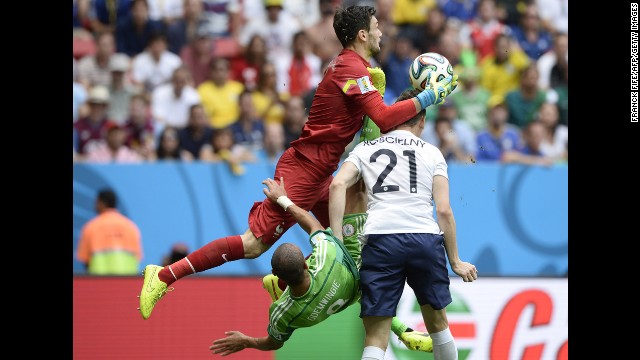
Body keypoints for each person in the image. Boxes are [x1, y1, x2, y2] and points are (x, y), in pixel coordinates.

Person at [138, 4, 457, 321]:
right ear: (362, 34)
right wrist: (429, 96)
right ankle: (164, 276)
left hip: (321, 172)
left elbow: (376, 117)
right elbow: (384, 117)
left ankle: (283, 284)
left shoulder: (352, 67)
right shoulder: (351, 69)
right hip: (303, 171)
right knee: (252, 246)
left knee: (347, 251)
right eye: (376, 26)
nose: (381, 31)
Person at [328, 88, 478, 360]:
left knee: (376, 337)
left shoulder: (365, 149)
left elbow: (338, 184)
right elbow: (443, 210)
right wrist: (455, 260)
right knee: (438, 326)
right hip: (424, 239)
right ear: (422, 120)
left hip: (380, 239)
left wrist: (338, 241)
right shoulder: (433, 153)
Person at [209, 177, 433, 355]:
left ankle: (404, 331)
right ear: (307, 266)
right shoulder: (325, 255)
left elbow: (273, 344)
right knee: (358, 188)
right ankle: (404, 332)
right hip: (354, 267)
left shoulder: (282, 314)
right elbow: (312, 223)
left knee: (364, 298)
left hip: (344, 298)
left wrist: (247, 341)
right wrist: (282, 199)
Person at [76, 189, 143, 275]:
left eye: (96, 202)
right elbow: (137, 258)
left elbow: (85, 260)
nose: (95, 205)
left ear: (102, 203)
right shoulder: (131, 227)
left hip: (98, 283)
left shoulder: (91, 227)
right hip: (127, 284)